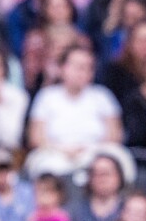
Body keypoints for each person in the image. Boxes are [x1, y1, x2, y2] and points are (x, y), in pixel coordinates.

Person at [25, 45, 122, 176]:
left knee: (117, 159)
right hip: (55, 153)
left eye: (88, 68)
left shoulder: (102, 96)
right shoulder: (46, 96)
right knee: (47, 166)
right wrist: (63, 150)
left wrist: (88, 150)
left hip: (95, 153)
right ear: (62, 68)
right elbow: (36, 138)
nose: (83, 72)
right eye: (78, 67)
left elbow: (115, 136)